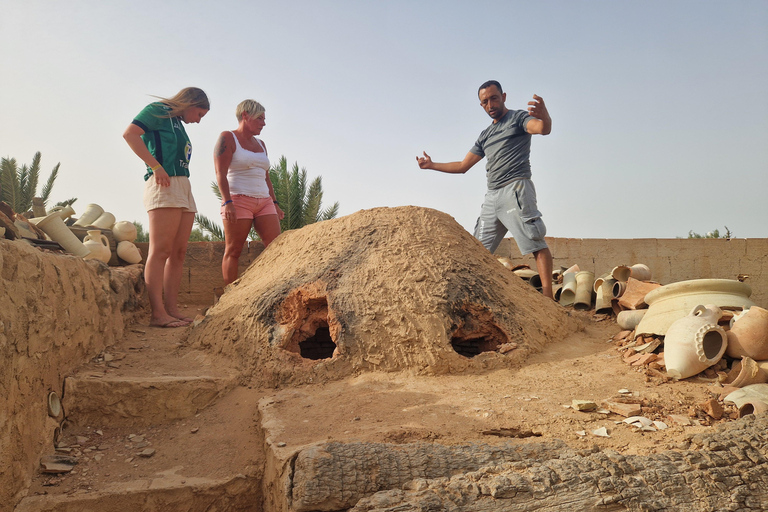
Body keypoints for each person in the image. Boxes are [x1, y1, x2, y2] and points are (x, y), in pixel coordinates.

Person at [417, 80, 554, 299]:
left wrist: (544, 115)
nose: (490, 104)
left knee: (534, 241)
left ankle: (549, 299)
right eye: (484, 101)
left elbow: (541, 129)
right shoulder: (485, 135)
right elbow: (463, 166)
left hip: (515, 190)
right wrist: (431, 165)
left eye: (493, 98)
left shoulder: (518, 119)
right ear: (481, 105)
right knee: (477, 251)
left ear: (503, 97)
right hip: (492, 198)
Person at [123, 87, 210, 327]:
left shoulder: (179, 123)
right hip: (163, 182)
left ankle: (172, 309)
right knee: (160, 250)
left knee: (179, 252)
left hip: (183, 185)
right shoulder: (157, 110)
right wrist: (155, 166)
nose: (199, 121)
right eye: (200, 114)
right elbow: (130, 134)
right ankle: (158, 314)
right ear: (191, 103)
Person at [214, 99, 284, 285]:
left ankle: (274, 288)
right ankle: (229, 297)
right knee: (234, 250)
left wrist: (275, 203)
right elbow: (220, 173)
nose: (264, 123)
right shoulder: (227, 138)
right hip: (238, 200)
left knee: (276, 247)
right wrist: (227, 202)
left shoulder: (261, 144)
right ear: (245, 115)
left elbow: (266, 177)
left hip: (264, 201)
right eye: (260, 118)